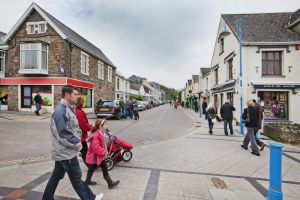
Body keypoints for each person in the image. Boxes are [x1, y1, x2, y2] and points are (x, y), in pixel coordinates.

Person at [42, 85, 103, 200]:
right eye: (74, 94)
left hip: (63, 152)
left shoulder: (68, 109)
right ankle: (91, 198)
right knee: (76, 178)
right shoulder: (61, 111)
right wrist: (78, 144)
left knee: (56, 176)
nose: (77, 96)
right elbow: (62, 133)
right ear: (67, 95)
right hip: (66, 153)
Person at [85, 119, 120, 189]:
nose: (106, 126)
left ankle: (88, 181)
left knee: (92, 168)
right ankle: (110, 183)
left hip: (97, 156)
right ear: (101, 126)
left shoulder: (101, 132)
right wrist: (105, 153)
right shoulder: (96, 135)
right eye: (105, 125)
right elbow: (96, 148)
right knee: (102, 167)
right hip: (96, 156)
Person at [75, 96, 93, 168]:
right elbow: (83, 126)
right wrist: (91, 127)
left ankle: (90, 165)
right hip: (81, 136)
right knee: (85, 152)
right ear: (81, 103)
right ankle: (90, 167)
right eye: (83, 101)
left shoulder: (77, 111)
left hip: (79, 136)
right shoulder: (79, 112)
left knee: (84, 151)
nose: (84, 103)